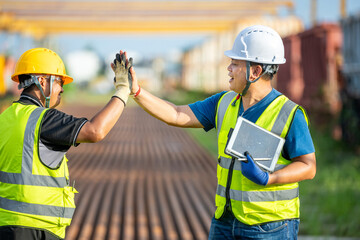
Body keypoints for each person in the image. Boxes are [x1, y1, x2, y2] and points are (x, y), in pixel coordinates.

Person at [126, 25, 316, 239]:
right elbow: (176, 114)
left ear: (255, 72)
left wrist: (268, 178)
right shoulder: (224, 103)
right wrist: (137, 92)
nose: (228, 68)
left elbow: (308, 167)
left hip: (270, 227)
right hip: (225, 220)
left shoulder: (289, 114)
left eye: (235, 64)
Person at [0, 48, 132, 240]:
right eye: (59, 82)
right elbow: (95, 131)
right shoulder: (43, 120)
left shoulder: (5, 118)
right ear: (42, 81)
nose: (62, 88)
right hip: (36, 230)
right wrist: (123, 89)